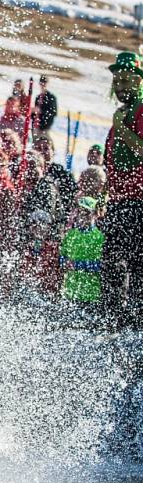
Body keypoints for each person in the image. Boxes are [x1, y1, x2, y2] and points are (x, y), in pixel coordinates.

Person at [102, 51, 143, 327]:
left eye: (127, 80)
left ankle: (137, 320)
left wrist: (121, 128)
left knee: (136, 264)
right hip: (118, 201)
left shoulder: (140, 111)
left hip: (138, 202)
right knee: (113, 261)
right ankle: (113, 317)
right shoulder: (122, 113)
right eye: (117, 81)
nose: (121, 87)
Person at [60, 196, 105, 307]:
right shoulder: (70, 235)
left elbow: (101, 265)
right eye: (80, 211)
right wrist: (63, 263)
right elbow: (62, 258)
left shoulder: (100, 237)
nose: (83, 215)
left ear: (94, 214)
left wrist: (77, 264)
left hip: (91, 294)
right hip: (70, 292)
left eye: (86, 212)